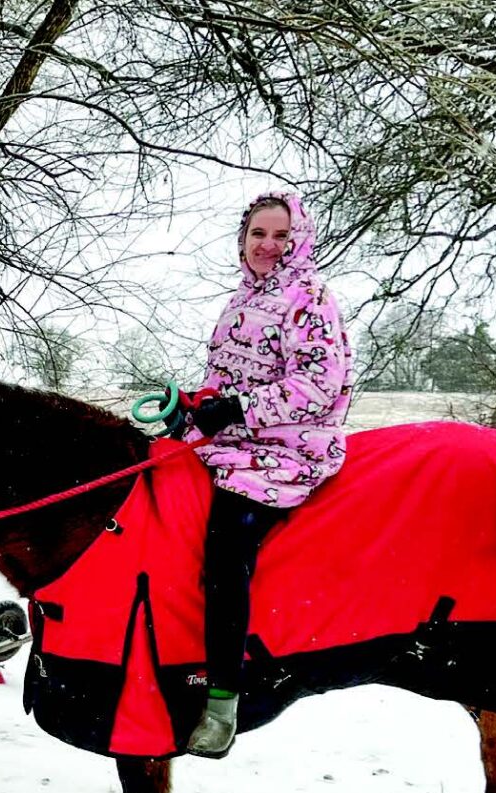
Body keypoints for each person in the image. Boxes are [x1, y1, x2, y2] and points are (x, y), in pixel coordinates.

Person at [184, 191, 352, 757]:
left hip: (286, 450)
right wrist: (197, 405)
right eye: (260, 234)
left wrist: (237, 409)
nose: (269, 247)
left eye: (282, 236)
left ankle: (222, 703)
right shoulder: (240, 298)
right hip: (230, 442)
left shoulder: (311, 297)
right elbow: (224, 374)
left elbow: (318, 385)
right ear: (244, 237)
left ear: (299, 239)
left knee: (226, 551)